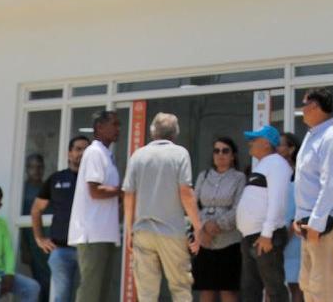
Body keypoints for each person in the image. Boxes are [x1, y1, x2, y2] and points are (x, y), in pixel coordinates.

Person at [122, 111, 200, 302]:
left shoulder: (137, 156)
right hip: (172, 231)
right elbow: (186, 193)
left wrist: (128, 230)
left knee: (146, 293)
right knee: (180, 288)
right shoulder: (180, 154)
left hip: (143, 231)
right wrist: (198, 226)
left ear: (152, 132)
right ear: (175, 134)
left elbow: (129, 196)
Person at [290, 89, 333, 302]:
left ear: (314, 106)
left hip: (324, 222)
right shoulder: (312, 135)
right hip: (309, 223)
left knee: (322, 287)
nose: (301, 109)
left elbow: (330, 185)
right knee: (308, 285)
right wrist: (299, 218)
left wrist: (316, 224)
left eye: (303, 104)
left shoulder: (331, 138)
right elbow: (305, 183)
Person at [236, 126, 295, 302]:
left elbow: (277, 200)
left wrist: (267, 234)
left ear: (267, 143)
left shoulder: (277, 163)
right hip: (252, 236)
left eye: (254, 140)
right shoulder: (264, 165)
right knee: (250, 290)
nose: (250, 143)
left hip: (264, 236)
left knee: (274, 288)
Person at [70, 112, 123, 302]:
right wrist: (122, 192)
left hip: (106, 234)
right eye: (114, 124)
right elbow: (94, 190)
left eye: (119, 124)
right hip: (93, 235)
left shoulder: (107, 155)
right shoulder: (94, 152)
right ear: (99, 127)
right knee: (90, 292)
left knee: (101, 293)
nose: (118, 129)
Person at [32, 136, 90, 302]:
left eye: (86, 149)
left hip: (89, 249)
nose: (82, 153)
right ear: (69, 154)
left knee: (89, 296)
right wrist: (39, 238)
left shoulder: (95, 179)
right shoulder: (56, 179)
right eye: (78, 149)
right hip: (61, 250)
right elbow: (36, 209)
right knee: (61, 298)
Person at [192, 135, 248, 301]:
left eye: (225, 151)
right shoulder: (204, 175)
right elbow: (194, 204)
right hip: (204, 241)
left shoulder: (239, 178)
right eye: (216, 151)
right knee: (206, 290)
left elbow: (239, 208)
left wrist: (216, 225)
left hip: (229, 241)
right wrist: (204, 226)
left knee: (228, 291)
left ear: (233, 156)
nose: (220, 154)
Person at [18, 154, 51, 290]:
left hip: (49, 241)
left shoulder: (47, 188)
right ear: (26, 169)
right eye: (32, 167)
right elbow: (20, 220)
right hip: (31, 241)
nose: (36, 171)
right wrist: (24, 248)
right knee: (39, 280)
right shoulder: (22, 190)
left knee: (49, 281)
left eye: (39, 167)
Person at [278, 132, 303, 302]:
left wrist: (292, 226)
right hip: (275, 231)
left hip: (295, 236)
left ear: (292, 149)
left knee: (296, 283)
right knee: (274, 283)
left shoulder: (301, 173)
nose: (277, 148)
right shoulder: (273, 171)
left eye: (280, 144)